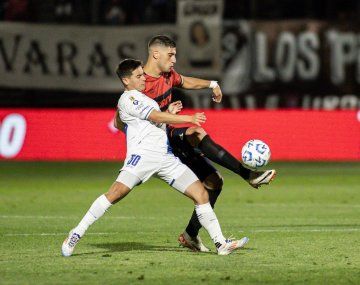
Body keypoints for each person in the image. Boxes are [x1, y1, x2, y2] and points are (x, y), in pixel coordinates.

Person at [61, 59, 249, 257]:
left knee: (201, 195)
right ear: (126, 80)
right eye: (139, 76)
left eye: (143, 74)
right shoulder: (129, 98)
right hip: (141, 158)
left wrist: (167, 113)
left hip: (165, 159)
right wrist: (187, 118)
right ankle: (76, 233)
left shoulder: (142, 99)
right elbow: (153, 118)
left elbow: (142, 121)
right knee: (114, 194)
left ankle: (220, 244)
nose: (144, 78)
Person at [133, 35, 275, 252]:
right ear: (155, 54)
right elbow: (124, 117)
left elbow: (186, 81)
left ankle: (190, 235)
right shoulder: (139, 82)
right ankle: (248, 175)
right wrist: (164, 113)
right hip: (154, 144)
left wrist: (212, 84)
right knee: (196, 132)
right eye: (171, 55)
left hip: (169, 137)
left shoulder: (168, 75)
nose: (174, 60)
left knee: (214, 182)